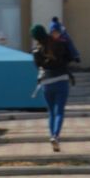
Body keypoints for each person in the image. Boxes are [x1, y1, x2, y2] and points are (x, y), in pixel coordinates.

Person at [30, 23, 73, 151]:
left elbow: (38, 67)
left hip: (47, 83)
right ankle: (55, 136)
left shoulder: (36, 51)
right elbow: (69, 57)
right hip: (61, 80)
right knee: (59, 111)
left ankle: (52, 137)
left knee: (51, 113)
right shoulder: (58, 44)